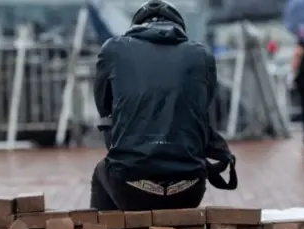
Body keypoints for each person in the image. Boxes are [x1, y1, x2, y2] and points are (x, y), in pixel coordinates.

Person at [90, 0, 237, 211]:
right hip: (189, 187)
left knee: (102, 171)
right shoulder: (201, 55)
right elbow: (205, 102)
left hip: (131, 187)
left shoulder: (113, 49)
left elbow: (103, 106)